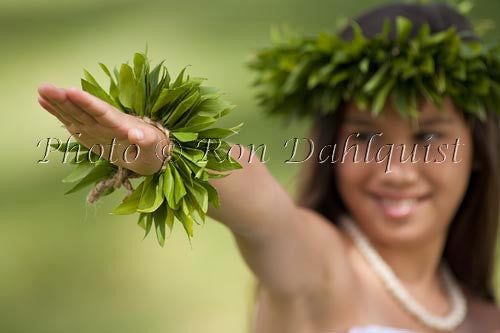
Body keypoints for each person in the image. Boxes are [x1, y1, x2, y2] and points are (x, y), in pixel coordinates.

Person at [37, 2, 500, 332]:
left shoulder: (485, 318)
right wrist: (169, 152)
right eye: (364, 136)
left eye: (429, 137)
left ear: (478, 150)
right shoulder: (320, 269)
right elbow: (261, 209)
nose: (396, 170)